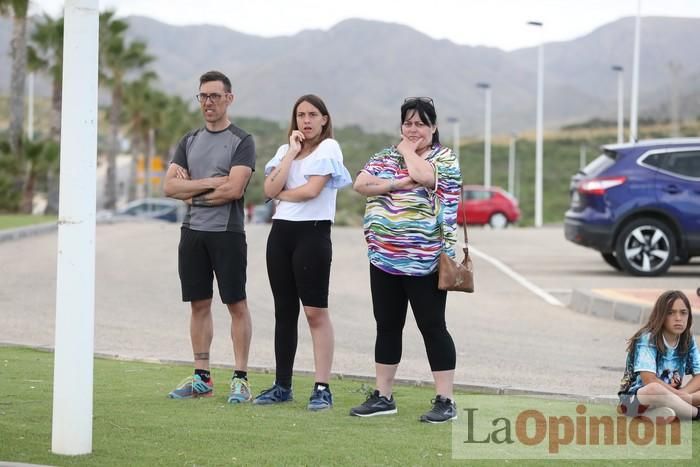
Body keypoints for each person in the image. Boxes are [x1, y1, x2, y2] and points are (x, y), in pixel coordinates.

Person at [349, 97, 461, 423]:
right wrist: (395, 183)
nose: (413, 129)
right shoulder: (385, 155)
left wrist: (409, 152)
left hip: (425, 260)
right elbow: (361, 184)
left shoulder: (445, 158)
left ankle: (445, 400)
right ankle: (383, 396)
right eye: (408, 123)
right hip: (383, 258)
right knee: (387, 326)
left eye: (421, 124)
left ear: (433, 127)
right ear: (401, 125)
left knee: (432, 327)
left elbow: (426, 178)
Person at [253, 94, 351, 411]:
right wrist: (292, 153)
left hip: (313, 234)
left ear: (324, 119)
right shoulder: (286, 151)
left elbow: (312, 191)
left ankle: (322, 387)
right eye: (300, 115)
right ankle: (283, 385)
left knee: (314, 312)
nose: (306, 121)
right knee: (284, 311)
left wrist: (280, 193)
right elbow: (267, 190)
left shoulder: (329, 149)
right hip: (280, 234)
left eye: (312, 115)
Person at [163, 70, 256, 403]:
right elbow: (169, 187)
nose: (208, 102)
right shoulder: (189, 141)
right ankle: (201, 378)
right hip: (192, 233)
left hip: (227, 233)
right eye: (203, 96)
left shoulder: (242, 141)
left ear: (229, 98)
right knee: (199, 304)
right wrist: (211, 183)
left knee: (236, 304)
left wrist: (193, 190)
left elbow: (234, 189)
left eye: (215, 96)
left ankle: (241, 379)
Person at [618, 290, 700, 421]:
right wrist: (682, 397)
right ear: (661, 315)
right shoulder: (647, 338)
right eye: (670, 313)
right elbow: (649, 380)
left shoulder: (687, 340)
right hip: (636, 400)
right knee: (654, 389)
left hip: (671, 397)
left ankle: (659, 413)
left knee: (668, 398)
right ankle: (695, 413)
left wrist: (683, 394)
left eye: (683, 313)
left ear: (689, 316)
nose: (678, 318)